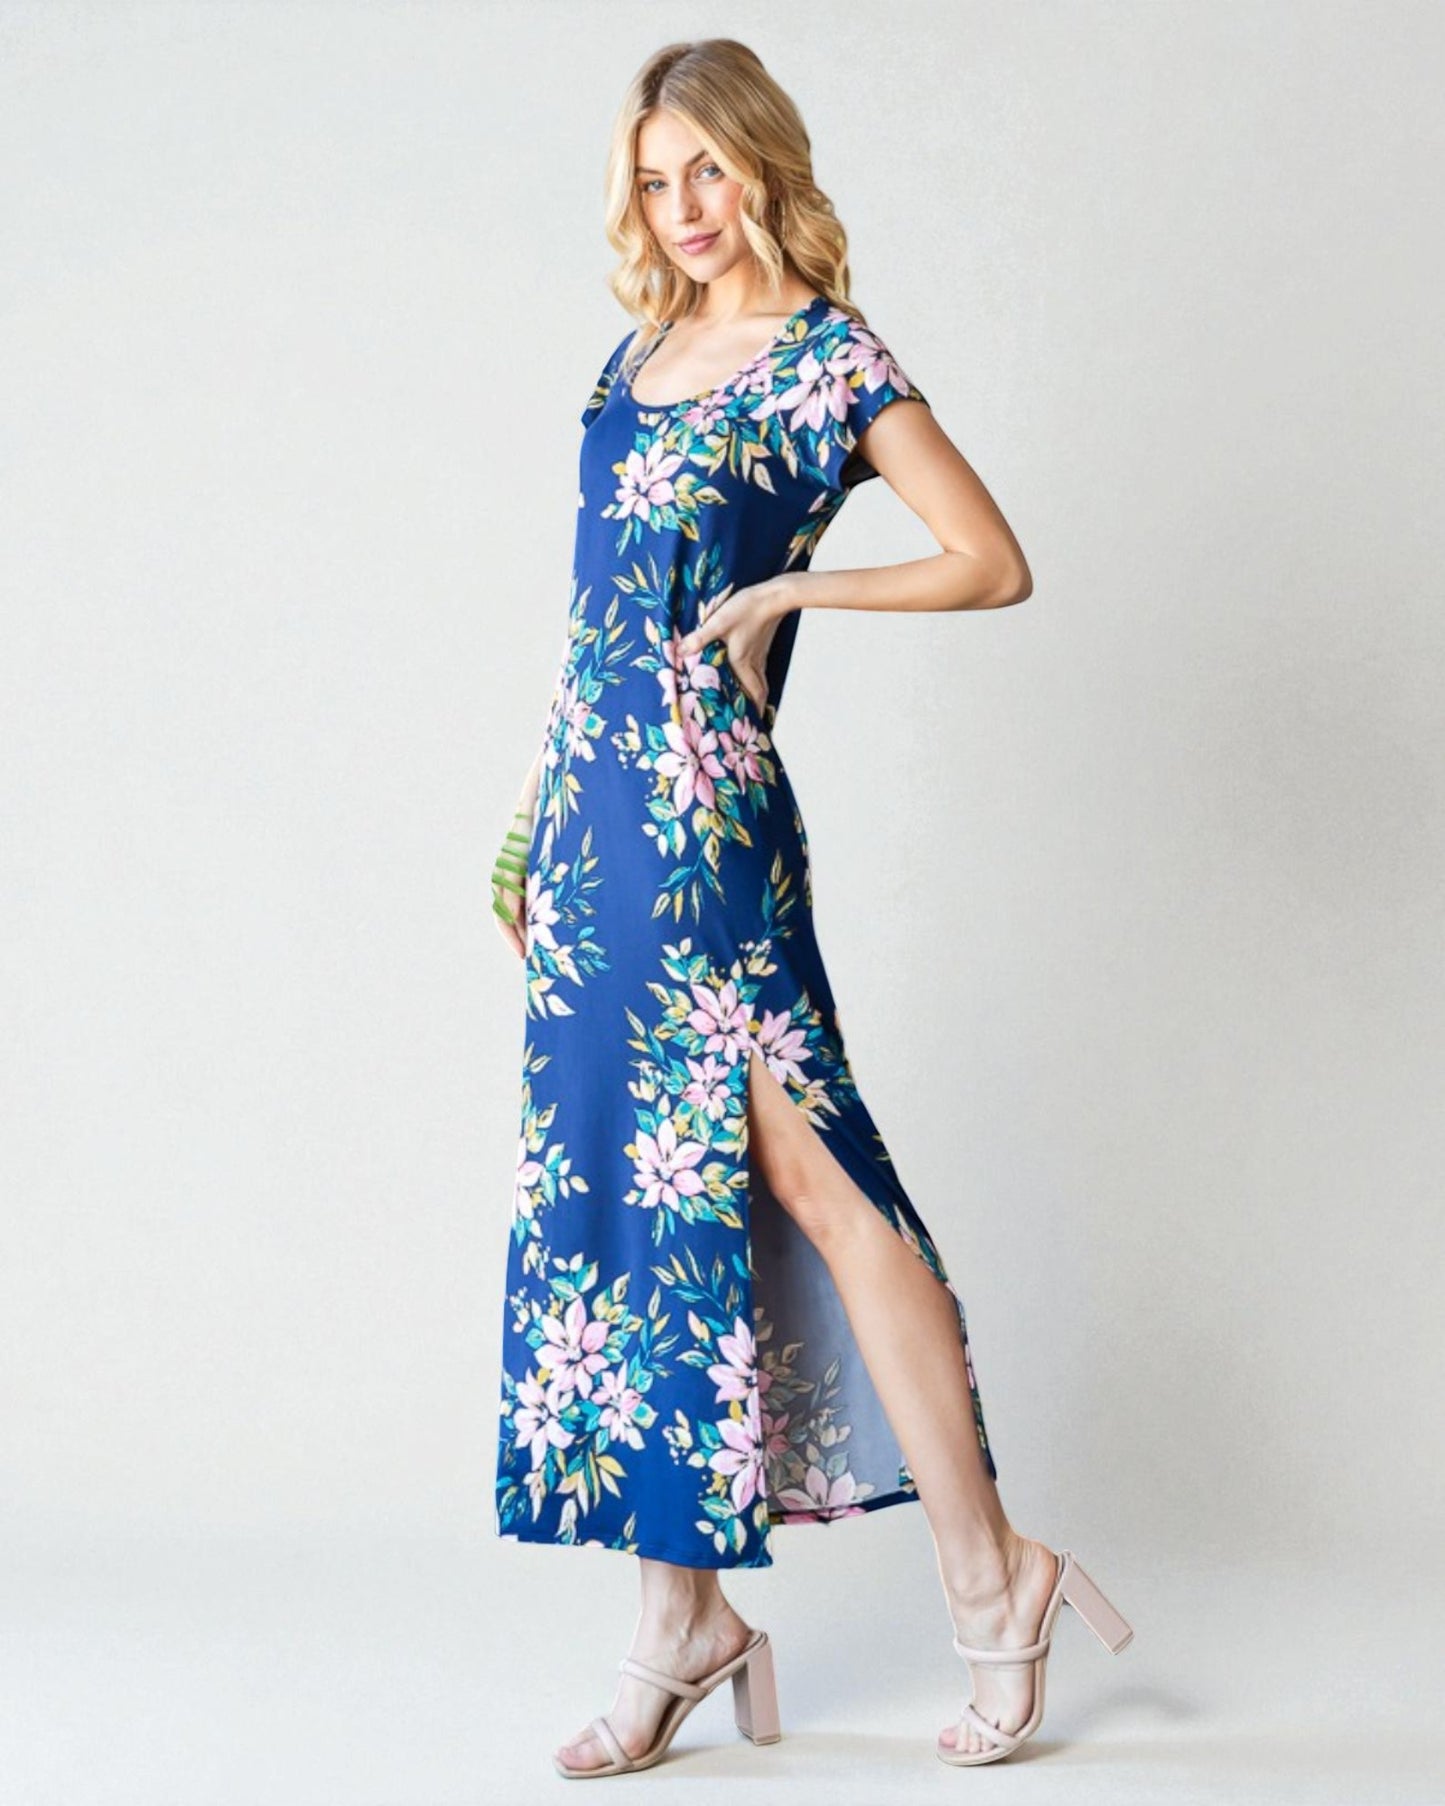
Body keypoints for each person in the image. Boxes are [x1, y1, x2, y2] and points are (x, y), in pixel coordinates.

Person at [490, 37, 1132, 1779]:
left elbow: (990, 556)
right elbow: (589, 634)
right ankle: (679, 1620)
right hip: (597, 835)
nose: (681, 209)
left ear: (762, 163)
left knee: (815, 1180)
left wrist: (800, 580)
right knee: (639, 1205)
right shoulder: (629, 360)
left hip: (708, 825)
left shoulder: (825, 362)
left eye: (705, 169)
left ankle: (996, 1574)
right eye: (650, 179)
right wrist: (534, 830)